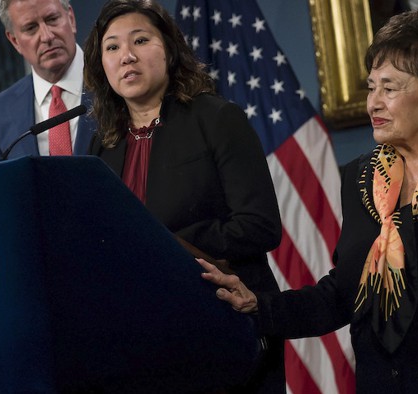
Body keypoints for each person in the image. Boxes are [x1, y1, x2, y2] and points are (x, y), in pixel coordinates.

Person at [200, 9, 418, 393]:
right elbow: (343, 293)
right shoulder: (360, 179)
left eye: (391, 87)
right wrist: (258, 306)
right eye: (371, 87)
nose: (374, 103)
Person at [82, 1, 284, 392]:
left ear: (169, 51)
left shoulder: (217, 119)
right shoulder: (100, 147)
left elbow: (261, 226)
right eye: (111, 47)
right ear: (101, 67)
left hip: (226, 325)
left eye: (140, 40)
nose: (126, 56)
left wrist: (173, 248)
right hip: (143, 338)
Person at [0, 0, 96, 162]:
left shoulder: (114, 80)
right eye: (31, 28)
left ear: (70, 18)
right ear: (15, 41)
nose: (47, 36)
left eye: (52, 19)